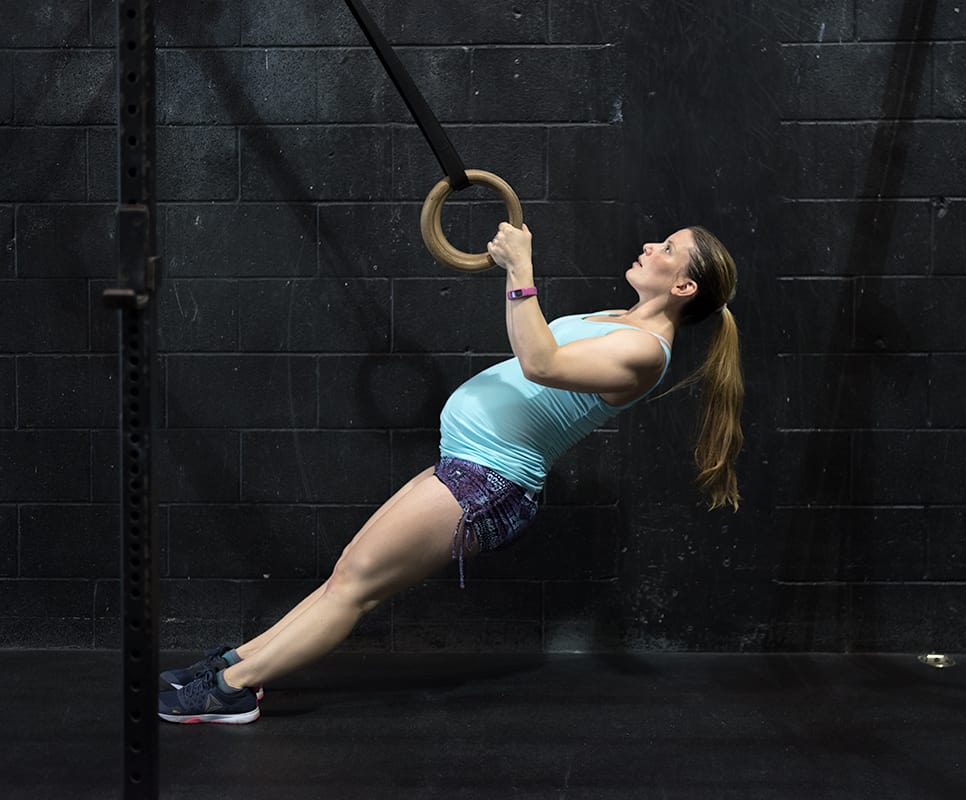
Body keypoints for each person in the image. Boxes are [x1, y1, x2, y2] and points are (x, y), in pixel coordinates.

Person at [158, 222, 744, 724]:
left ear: (683, 286)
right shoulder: (619, 318)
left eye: (667, 248)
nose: (650, 245)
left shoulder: (646, 350)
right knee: (346, 578)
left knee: (353, 590)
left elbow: (539, 363)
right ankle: (236, 664)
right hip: (468, 464)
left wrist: (520, 265)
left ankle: (231, 695)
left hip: (490, 482)